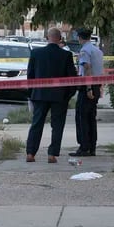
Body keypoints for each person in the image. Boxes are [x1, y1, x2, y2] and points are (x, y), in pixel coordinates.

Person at [25, 27, 77, 163]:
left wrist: (31, 93)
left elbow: (30, 75)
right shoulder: (66, 55)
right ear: (60, 39)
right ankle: (52, 154)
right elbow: (72, 78)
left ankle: (30, 153)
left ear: (47, 38)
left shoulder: (36, 53)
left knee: (36, 124)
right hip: (59, 96)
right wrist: (68, 95)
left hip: (40, 94)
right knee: (57, 125)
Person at [70, 28, 104, 157]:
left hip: (87, 87)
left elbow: (87, 68)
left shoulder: (84, 50)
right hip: (96, 85)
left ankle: (84, 147)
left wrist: (88, 88)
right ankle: (92, 147)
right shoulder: (97, 51)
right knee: (91, 118)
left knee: (82, 117)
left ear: (79, 37)